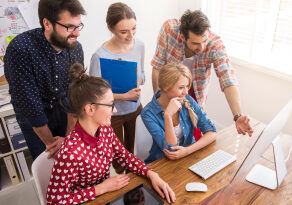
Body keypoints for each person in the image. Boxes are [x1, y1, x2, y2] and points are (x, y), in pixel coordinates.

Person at [46, 63, 175, 204]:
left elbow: (124, 156)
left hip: (107, 197)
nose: (115, 111)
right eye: (110, 105)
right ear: (90, 109)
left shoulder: (105, 129)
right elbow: (54, 201)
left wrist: (151, 173)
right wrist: (99, 189)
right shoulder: (70, 152)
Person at [151, 10, 253, 138]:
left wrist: (238, 115)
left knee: (193, 134)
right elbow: (157, 66)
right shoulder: (169, 29)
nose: (202, 47)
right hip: (170, 88)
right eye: (195, 44)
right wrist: (159, 101)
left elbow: (227, 79)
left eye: (204, 41)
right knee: (168, 132)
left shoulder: (215, 45)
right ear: (183, 37)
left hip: (195, 92)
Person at [4, 0, 86, 160]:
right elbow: (30, 105)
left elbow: (74, 94)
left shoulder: (76, 48)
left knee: (72, 157)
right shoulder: (20, 50)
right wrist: (51, 145)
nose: (77, 33)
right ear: (47, 24)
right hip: (34, 114)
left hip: (63, 107)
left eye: (79, 26)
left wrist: (68, 139)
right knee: (48, 161)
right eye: (70, 27)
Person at [90, 2, 144, 174]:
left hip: (135, 109)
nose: (131, 35)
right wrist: (123, 96)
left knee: (135, 153)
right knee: (119, 160)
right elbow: (94, 95)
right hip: (112, 116)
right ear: (110, 29)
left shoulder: (140, 45)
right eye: (124, 31)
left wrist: (139, 80)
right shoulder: (99, 56)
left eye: (134, 28)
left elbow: (142, 74)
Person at [141, 62, 217, 164]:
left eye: (187, 86)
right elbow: (172, 150)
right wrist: (167, 116)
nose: (186, 92)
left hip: (189, 156)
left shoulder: (187, 99)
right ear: (165, 87)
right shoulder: (148, 113)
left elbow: (211, 132)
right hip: (163, 162)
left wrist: (187, 150)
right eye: (181, 88)